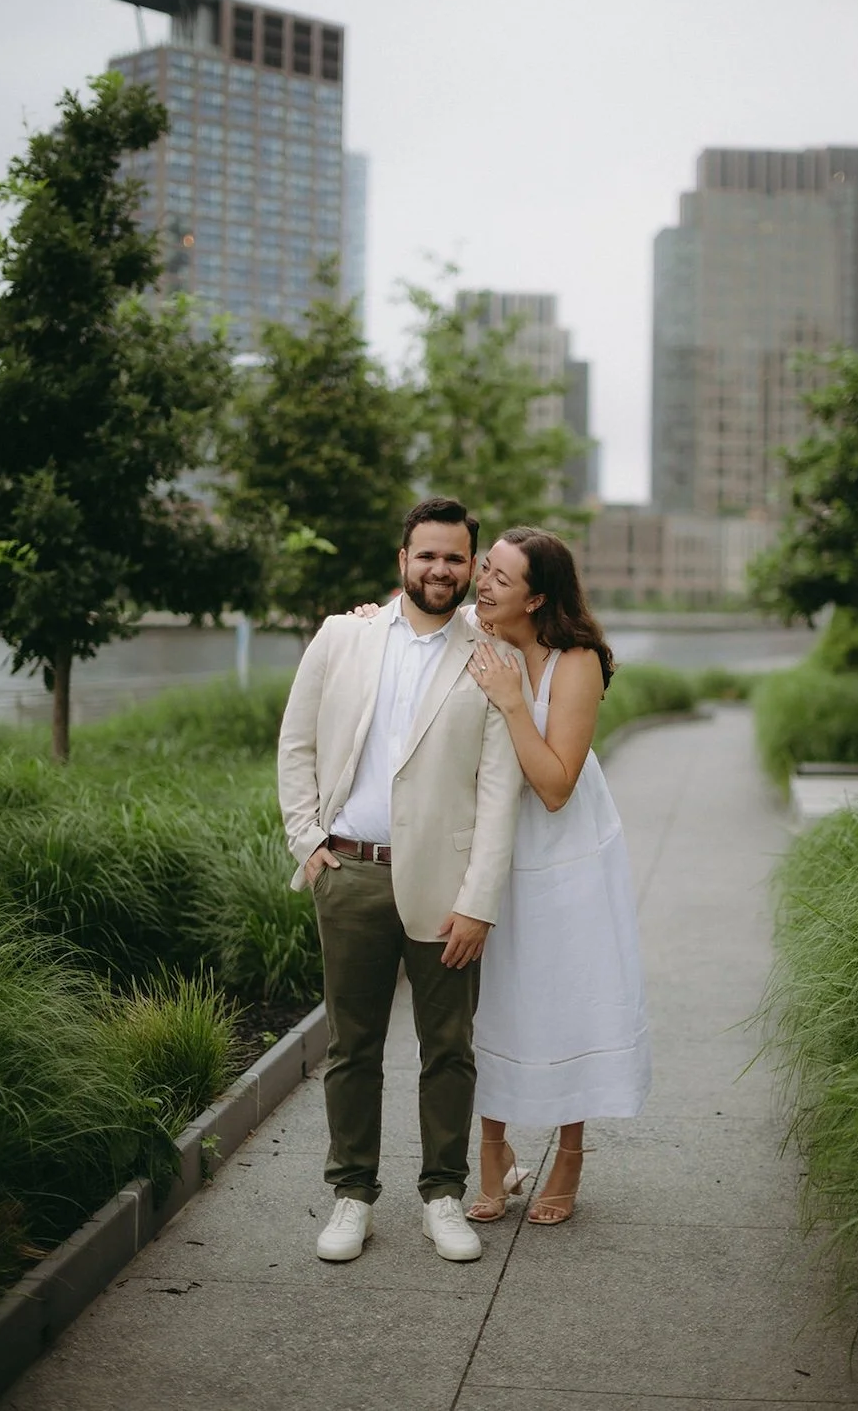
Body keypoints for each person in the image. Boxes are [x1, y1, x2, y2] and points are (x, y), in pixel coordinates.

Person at [277, 497, 524, 1265]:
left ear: (472, 566)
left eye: (456, 558)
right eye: (427, 556)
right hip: (349, 874)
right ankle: (352, 1196)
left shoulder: (491, 657)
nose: (441, 570)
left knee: (448, 1048)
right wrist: (308, 840)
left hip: (448, 889)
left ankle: (443, 1197)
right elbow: (296, 743)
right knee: (353, 1047)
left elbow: (497, 792)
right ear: (402, 560)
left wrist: (479, 901)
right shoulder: (342, 636)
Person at [462, 526, 651, 1225]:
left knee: (567, 996)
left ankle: (569, 1156)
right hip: (494, 851)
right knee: (494, 1000)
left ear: (537, 598)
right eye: (485, 569)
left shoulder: (576, 663)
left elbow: (555, 787)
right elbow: (404, 620)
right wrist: (367, 615)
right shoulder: (476, 632)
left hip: (569, 853)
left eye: (501, 578)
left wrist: (513, 701)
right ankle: (494, 1153)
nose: (483, 583)